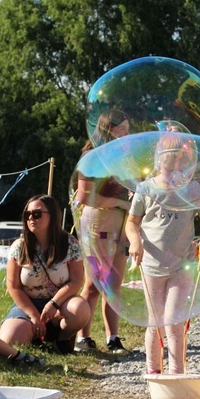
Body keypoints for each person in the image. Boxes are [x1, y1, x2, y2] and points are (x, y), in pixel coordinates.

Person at [125, 131, 200, 375]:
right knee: (155, 322)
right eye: (171, 157)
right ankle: (154, 374)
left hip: (182, 266)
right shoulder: (146, 189)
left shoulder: (192, 189)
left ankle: (177, 374)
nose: (175, 163)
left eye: (181, 157)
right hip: (152, 266)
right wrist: (135, 242)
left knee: (174, 322)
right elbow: (132, 222)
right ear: (159, 158)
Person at [0, 195, 90, 354]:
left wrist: (54, 303)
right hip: (28, 303)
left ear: (53, 216)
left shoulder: (69, 243)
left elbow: (76, 280)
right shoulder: (19, 246)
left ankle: (61, 338)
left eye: (37, 214)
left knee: (80, 309)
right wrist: (33, 315)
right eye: (28, 214)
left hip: (61, 304)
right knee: (9, 339)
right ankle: (35, 333)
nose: (31, 218)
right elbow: (13, 287)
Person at [74, 109, 131, 354]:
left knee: (114, 284)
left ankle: (113, 338)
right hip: (98, 222)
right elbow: (85, 196)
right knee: (94, 284)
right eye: (123, 130)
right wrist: (120, 203)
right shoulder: (92, 157)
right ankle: (82, 337)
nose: (127, 135)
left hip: (121, 222)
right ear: (109, 129)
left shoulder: (125, 157)